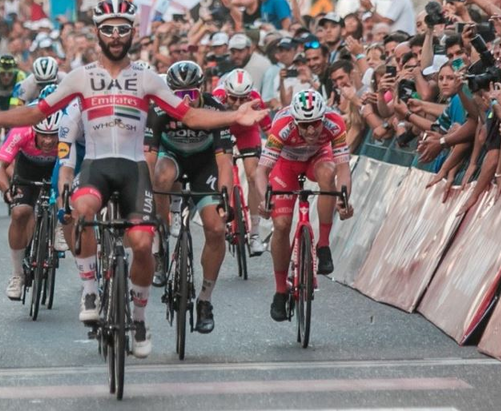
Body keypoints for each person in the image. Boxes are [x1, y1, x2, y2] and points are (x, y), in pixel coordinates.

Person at [0, 0, 267, 358]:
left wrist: (234, 117)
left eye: (123, 29)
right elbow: (36, 112)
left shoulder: (148, 79)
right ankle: (89, 288)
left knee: (140, 243)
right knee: (81, 210)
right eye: (108, 29)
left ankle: (138, 317)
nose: (116, 35)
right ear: (97, 33)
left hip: (134, 169)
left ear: (133, 33)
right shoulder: (81, 77)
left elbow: (193, 117)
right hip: (98, 166)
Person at [145, 61, 233, 334]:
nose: (185, 100)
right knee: (159, 176)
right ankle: (160, 243)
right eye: (179, 93)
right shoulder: (158, 109)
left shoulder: (215, 110)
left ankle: (205, 300)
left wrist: (226, 199)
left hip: (204, 165)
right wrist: (145, 198)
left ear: (202, 89)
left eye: (191, 93)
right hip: (171, 159)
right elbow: (148, 158)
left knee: (216, 229)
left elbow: (225, 163)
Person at [254, 89, 353, 322]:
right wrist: (264, 199)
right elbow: (262, 170)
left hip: (317, 159)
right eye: (304, 125)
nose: (310, 130)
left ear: (323, 118)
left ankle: (323, 246)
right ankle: (280, 291)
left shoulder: (335, 123)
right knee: (281, 225)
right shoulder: (282, 127)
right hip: (286, 166)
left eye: (315, 124)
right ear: (295, 121)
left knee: (328, 175)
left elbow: (343, 169)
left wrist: (344, 198)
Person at [0, 110, 63, 300]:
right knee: (20, 213)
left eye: (52, 135)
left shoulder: (69, 133)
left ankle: (59, 227)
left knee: (65, 195)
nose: (48, 141)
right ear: (34, 131)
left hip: (59, 168)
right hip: (27, 171)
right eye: (43, 135)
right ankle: (17, 275)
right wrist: (6, 190)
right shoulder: (21, 132)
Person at [212, 69, 272, 255]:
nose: (238, 103)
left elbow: (269, 130)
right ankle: (223, 213)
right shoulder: (217, 97)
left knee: (254, 175)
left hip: (247, 130)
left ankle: (254, 233)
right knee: (223, 170)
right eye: (233, 99)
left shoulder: (255, 99)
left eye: (242, 99)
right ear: (226, 93)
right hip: (223, 127)